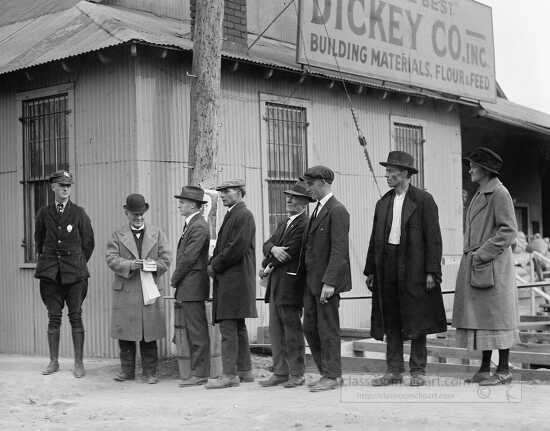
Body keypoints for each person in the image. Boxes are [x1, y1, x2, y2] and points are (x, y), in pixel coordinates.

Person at [364, 151, 446, 387]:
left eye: (391, 171)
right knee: (391, 317)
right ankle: (393, 371)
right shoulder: (383, 202)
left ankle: (418, 371)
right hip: (386, 264)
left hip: (414, 266)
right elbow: (374, 239)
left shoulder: (424, 200)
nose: (387, 175)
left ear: (405, 173)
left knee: (417, 317)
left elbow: (434, 238)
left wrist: (432, 271)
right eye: (387, 171)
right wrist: (371, 270)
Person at [453, 147, 519, 386]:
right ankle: (483, 369)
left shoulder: (499, 193)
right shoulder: (481, 193)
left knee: (498, 318)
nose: (469, 169)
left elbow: (509, 231)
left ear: (486, 170)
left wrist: (482, 254)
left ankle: (503, 370)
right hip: (480, 264)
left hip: (493, 265)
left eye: (473, 165)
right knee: (484, 319)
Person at [34, 170, 95, 378]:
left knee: (76, 317)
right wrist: (52, 263)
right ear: (52, 187)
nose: (65, 189)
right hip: (51, 275)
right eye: (61, 185)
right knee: (53, 318)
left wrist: (75, 263)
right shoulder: (44, 213)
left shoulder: (79, 213)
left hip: (75, 275)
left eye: (68, 185)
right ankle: (53, 361)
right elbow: (39, 241)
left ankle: (79, 363)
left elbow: (88, 243)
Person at [106, 194, 171, 384]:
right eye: (135, 214)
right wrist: (130, 265)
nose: (139, 218)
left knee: (148, 333)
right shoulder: (117, 235)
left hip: (147, 289)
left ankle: (150, 372)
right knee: (125, 333)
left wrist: (151, 266)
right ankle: (127, 371)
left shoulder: (157, 233)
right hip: (125, 289)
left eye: (142, 214)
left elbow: (166, 260)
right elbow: (111, 258)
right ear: (126, 213)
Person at [301, 166, 352, 392]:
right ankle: (327, 373)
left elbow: (339, 250)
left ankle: (332, 375)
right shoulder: (318, 210)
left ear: (322, 182)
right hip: (312, 283)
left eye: (310, 184)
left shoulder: (337, 210)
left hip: (325, 284)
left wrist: (330, 282)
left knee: (328, 329)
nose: (307, 189)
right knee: (310, 328)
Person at [258, 181, 312, 388]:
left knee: (292, 331)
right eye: (288, 196)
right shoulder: (285, 223)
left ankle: (297, 374)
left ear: (305, 203)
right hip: (276, 284)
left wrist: (272, 254)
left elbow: (290, 251)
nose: (289, 200)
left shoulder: (304, 224)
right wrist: (271, 251)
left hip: (291, 284)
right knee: (276, 331)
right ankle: (280, 371)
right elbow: (268, 245)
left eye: (295, 198)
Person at [205, 180, 257, 389]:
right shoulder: (235, 214)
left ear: (239, 193)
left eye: (226, 191)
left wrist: (214, 265)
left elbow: (237, 247)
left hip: (234, 280)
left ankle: (229, 375)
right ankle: (245, 371)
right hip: (235, 280)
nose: (223, 195)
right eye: (221, 192)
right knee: (238, 327)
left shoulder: (243, 215)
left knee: (228, 328)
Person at [171, 186, 211, 387]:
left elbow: (188, 258)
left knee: (196, 331)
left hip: (192, 285)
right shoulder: (193, 224)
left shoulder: (198, 226)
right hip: (190, 285)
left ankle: (200, 373)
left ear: (194, 205)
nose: (179, 205)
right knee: (193, 329)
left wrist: (174, 279)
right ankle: (198, 371)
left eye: (183, 202)